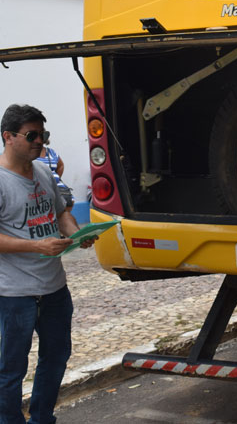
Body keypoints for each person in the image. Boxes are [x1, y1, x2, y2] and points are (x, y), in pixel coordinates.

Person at [0, 104, 97, 424]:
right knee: (10, 370)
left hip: (55, 288)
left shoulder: (44, 171)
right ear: (8, 137)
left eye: (43, 135)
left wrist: (78, 234)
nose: (39, 141)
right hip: (14, 295)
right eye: (31, 135)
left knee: (55, 359)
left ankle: (42, 419)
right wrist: (35, 245)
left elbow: (60, 213)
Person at [35, 139, 74, 213]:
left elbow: (60, 165)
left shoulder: (51, 152)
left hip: (56, 185)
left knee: (69, 200)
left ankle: (61, 220)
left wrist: (56, 178)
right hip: (39, 185)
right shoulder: (29, 153)